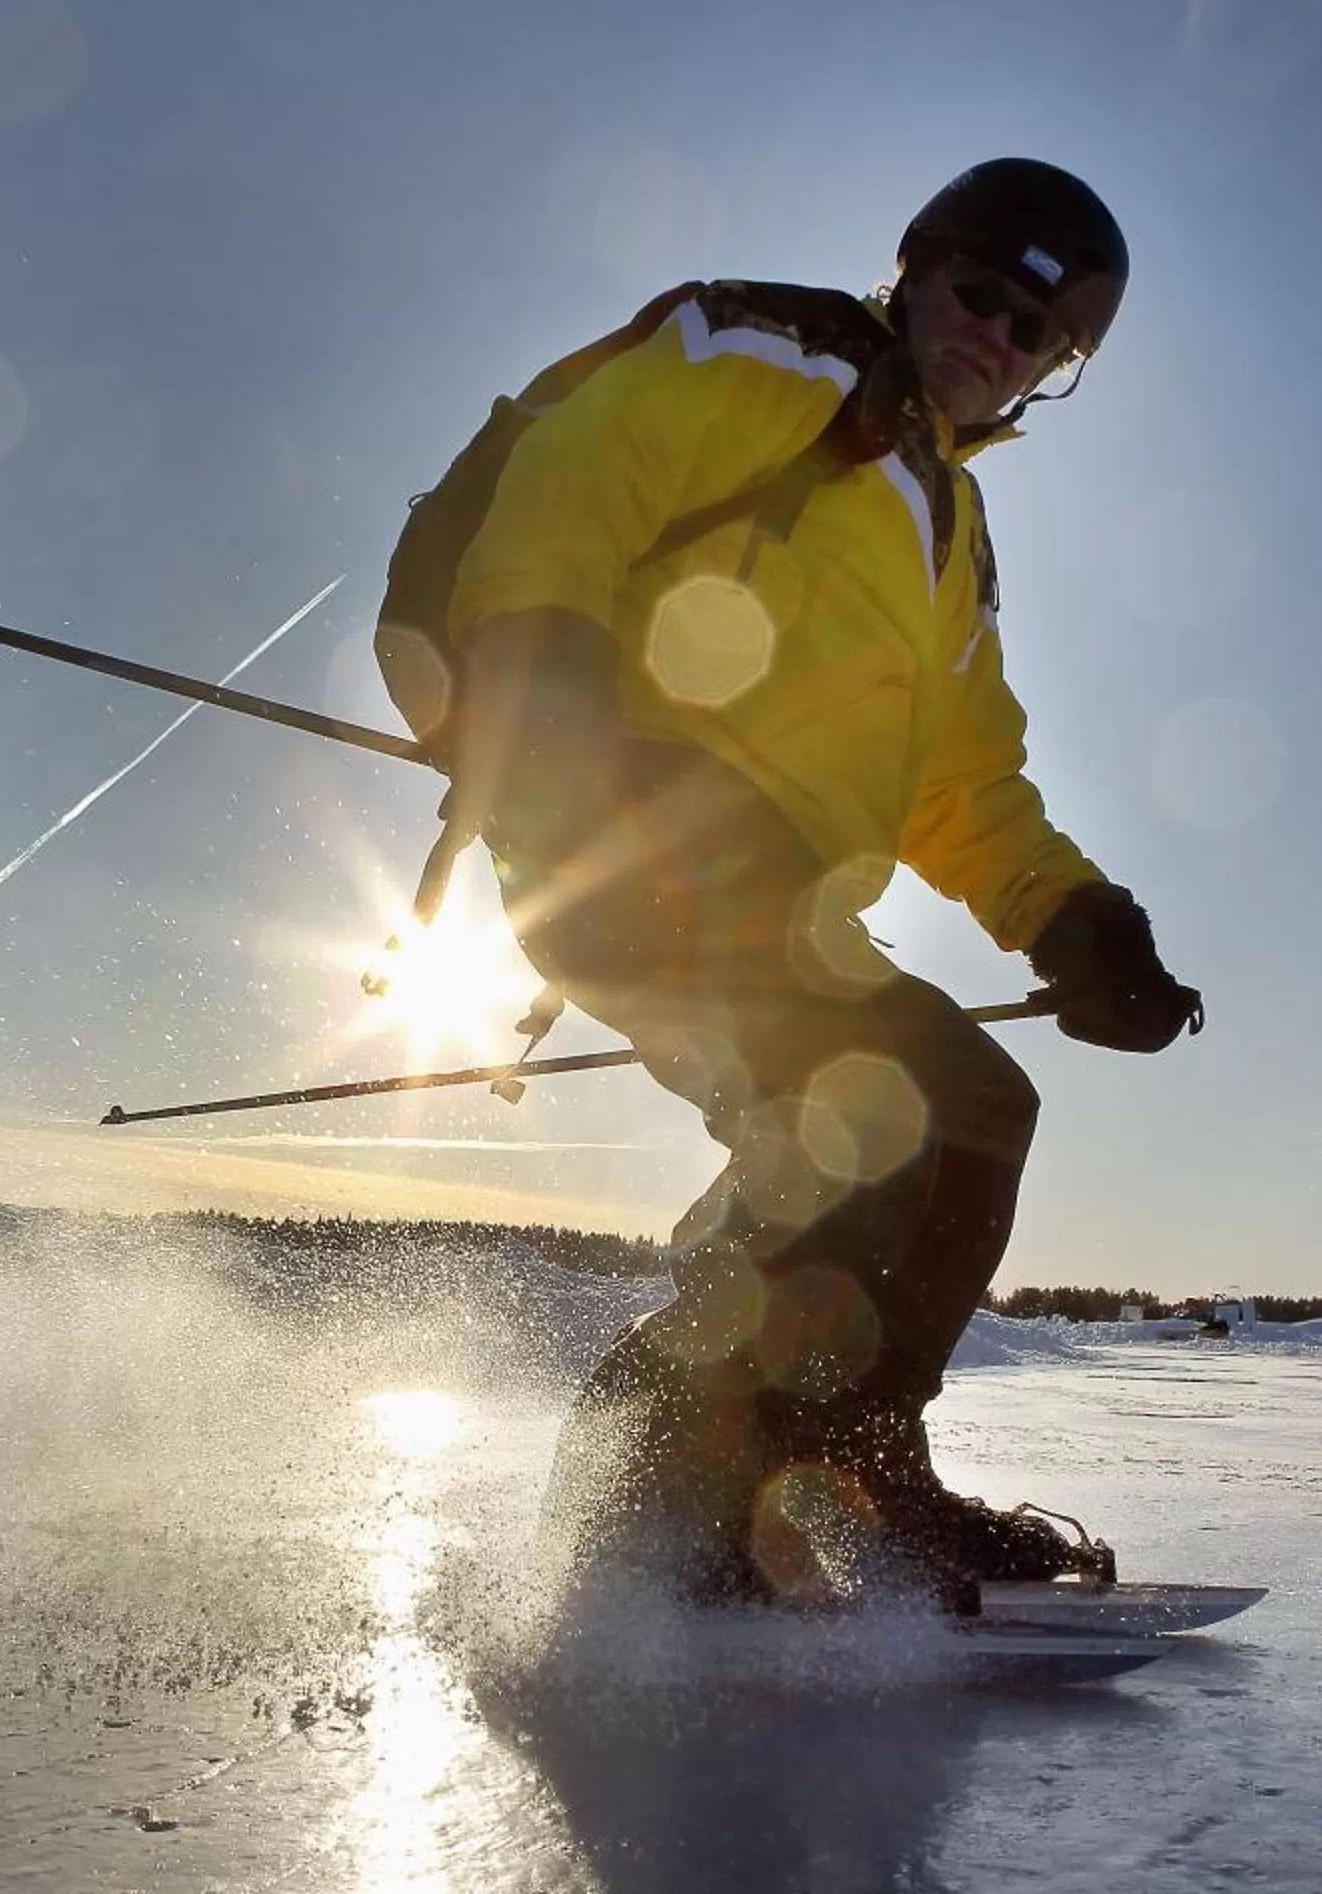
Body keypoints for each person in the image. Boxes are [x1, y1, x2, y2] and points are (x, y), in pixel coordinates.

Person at [433, 159, 1203, 1610]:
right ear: (914, 268)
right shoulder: (774, 358)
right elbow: (580, 479)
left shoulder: (950, 535)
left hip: (779, 905)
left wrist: (1075, 919)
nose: (999, 340)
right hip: (632, 841)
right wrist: (541, 682)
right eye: (981, 294)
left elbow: (964, 789)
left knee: (972, 1112)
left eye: (1043, 338)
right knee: (872, 1127)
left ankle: (835, 1460)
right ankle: (713, 1504)